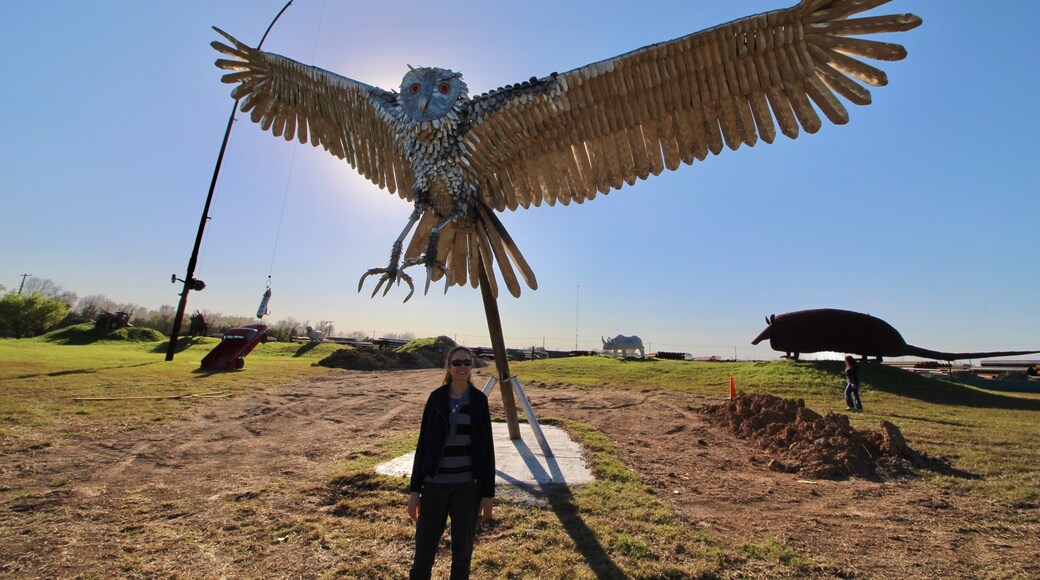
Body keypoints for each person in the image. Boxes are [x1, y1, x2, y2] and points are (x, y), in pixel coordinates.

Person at [408, 346, 495, 579]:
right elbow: (423, 445)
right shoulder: (436, 398)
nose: (462, 367)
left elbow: (487, 449)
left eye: (467, 363)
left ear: (472, 366)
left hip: (467, 487)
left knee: (462, 553)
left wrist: (487, 493)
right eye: (457, 363)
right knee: (424, 550)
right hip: (434, 485)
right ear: (449, 366)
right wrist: (415, 490)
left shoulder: (479, 401)